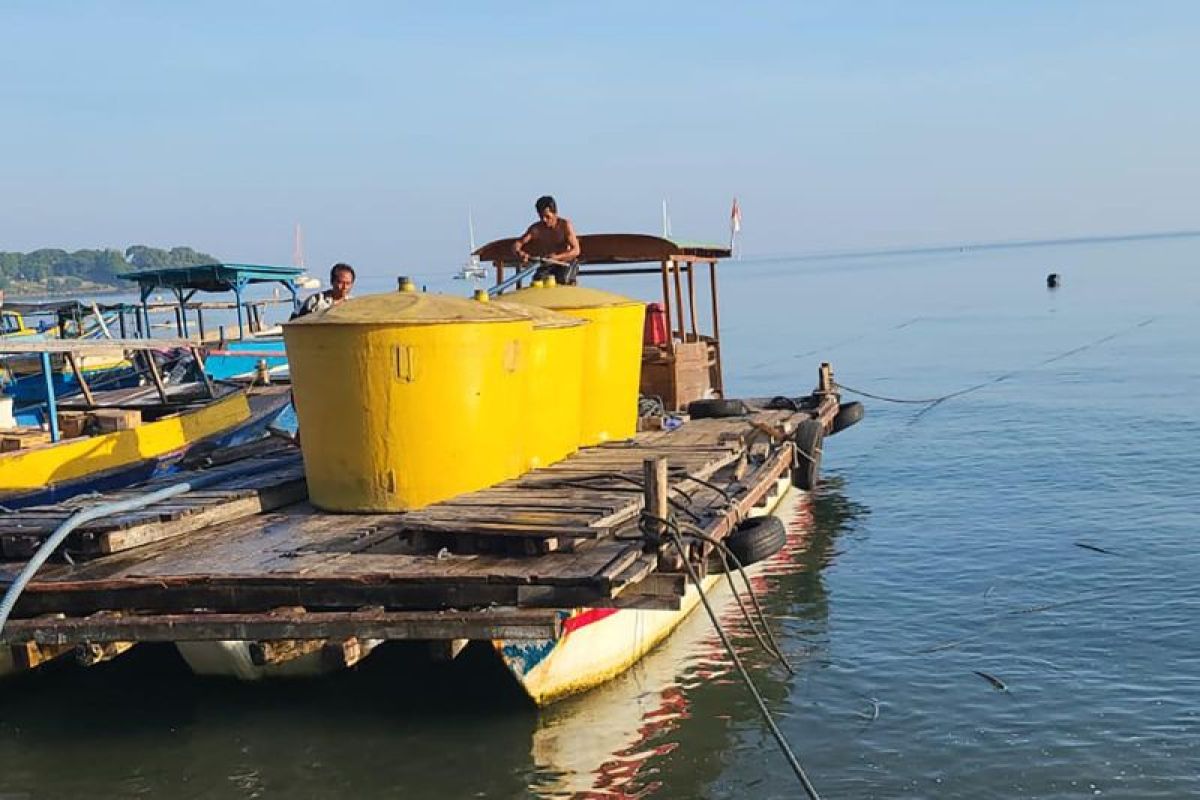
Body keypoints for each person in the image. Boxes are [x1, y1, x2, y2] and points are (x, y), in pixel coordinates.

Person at [513, 195, 581, 284]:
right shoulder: (536, 229)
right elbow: (517, 244)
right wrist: (520, 253)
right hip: (547, 265)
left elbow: (576, 250)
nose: (544, 220)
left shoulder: (565, 225)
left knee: (563, 279)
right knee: (538, 280)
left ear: (555, 213)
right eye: (541, 217)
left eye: (547, 216)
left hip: (565, 263)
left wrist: (556, 258)